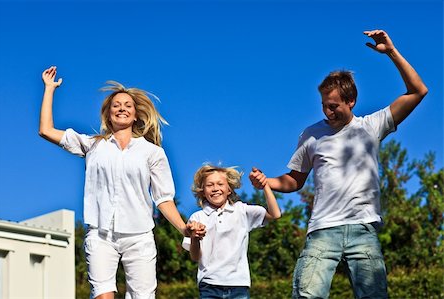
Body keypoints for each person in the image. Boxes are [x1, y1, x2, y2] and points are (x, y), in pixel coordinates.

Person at [249, 29, 427, 298]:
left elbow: (418, 91)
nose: (327, 111)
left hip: (363, 229)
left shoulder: (371, 126)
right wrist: (267, 182)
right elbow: (294, 180)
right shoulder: (311, 134)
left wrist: (391, 52)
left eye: (334, 106)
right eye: (324, 105)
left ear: (351, 101)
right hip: (323, 230)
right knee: (307, 294)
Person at [39, 66, 205, 299]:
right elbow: (45, 130)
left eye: (128, 105)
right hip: (100, 234)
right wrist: (49, 89)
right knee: (102, 295)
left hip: (139, 236)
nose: (122, 109)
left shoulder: (152, 152)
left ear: (136, 114)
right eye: (116, 105)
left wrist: (183, 228)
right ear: (108, 114)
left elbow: (163, 198)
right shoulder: (92, 144)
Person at [182, 164, 281, 299]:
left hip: (239, 285)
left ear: (229, 189)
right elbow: (195, 257)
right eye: (210, 185)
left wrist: (265, 186)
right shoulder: (197, 218)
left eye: (220, 184)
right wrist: (195, 238)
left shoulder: (242, 211)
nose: (215, 188)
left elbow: (275, 214)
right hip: (209, 285)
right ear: (203, 191)